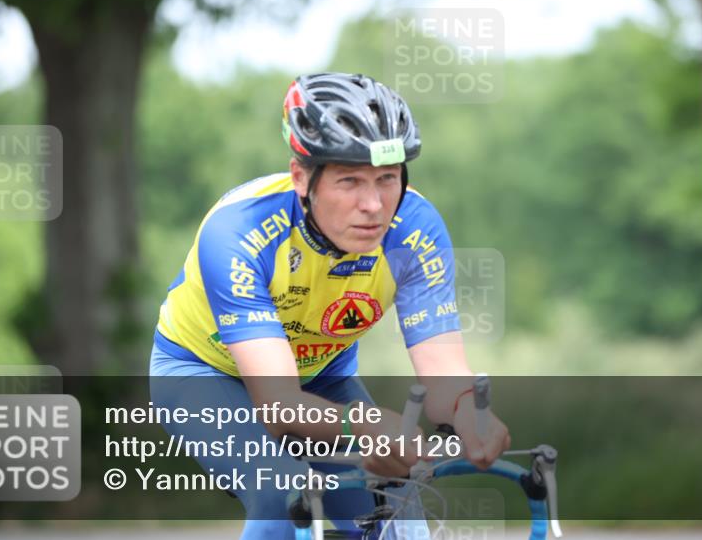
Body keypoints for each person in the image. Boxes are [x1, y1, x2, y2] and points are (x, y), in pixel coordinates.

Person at [149, 72, 510, 540]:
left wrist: (468, 412)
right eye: (349, 180)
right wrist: (367, 423)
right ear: (302, 177)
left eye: (387, 179)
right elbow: (279, 405)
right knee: (283, 497)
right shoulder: (237, 231)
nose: (373, 204)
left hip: (321, 376)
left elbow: (444, 372)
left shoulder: (415, 231)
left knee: (394, 503)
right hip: (203, 373)